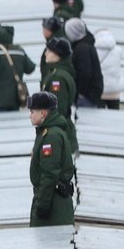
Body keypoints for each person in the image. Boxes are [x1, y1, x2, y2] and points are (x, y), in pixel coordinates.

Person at [27, 92, 76, 227]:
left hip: (53, 207)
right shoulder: (49, 133)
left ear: (43, 113)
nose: (30, 115)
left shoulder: (51, 137)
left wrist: (42, 206)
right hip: (53, 202)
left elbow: (49, 173)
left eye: (32, 111)